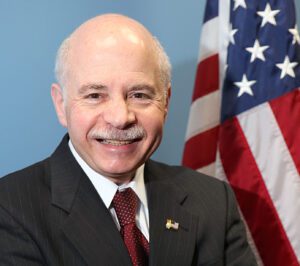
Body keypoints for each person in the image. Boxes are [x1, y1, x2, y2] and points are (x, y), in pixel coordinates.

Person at [0, 14, 257, 266]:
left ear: (165, 101)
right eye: (94, 95)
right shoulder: (10, 208)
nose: (120, 118)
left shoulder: (213, 201)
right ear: (60, 104)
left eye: (139, 94)